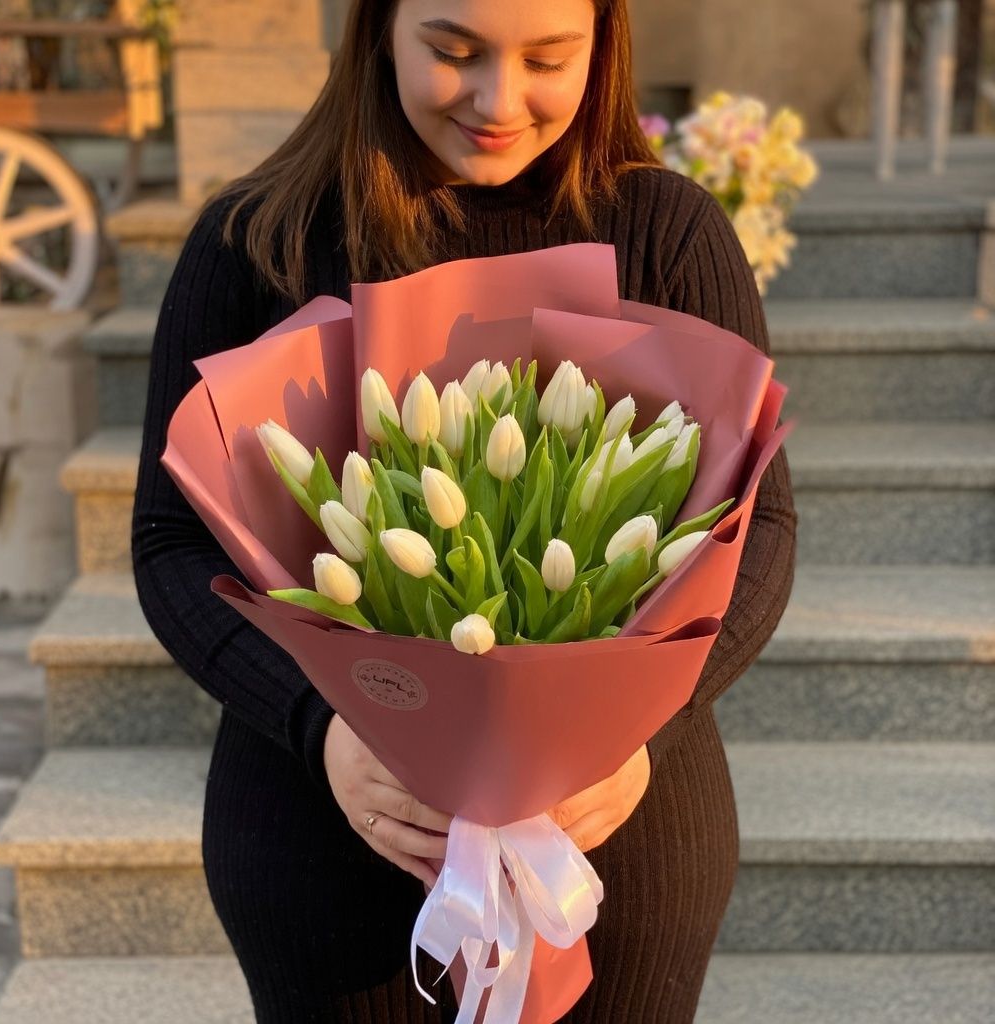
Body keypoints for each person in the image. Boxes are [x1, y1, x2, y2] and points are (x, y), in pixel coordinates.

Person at [131, 1, 797, 1020]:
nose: (498, 99)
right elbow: (169, 542)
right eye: (453, 51)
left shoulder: (666, 231)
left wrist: (640, 737)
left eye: (548, 58)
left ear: (604, 44)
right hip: (333, 840)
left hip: (617, 833)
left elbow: (759, 533)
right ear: (378, 29)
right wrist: (320, 725)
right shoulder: (256, 240)